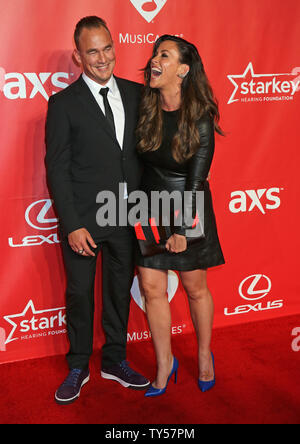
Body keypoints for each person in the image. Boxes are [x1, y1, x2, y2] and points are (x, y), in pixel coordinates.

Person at [45, 16, 150, 405]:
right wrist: (71, 224)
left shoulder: (139, 94)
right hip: (84, 220)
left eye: (107, 47)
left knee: (119, 292)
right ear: (78, 56)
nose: (102, 57)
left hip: (127, 218)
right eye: (92, 51)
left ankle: (115, 359)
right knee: (79, 293)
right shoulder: (63, 104)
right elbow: (56, 168)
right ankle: (78, 365)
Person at [135, 35, 225, 397]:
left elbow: (198, 181)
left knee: (194, 288)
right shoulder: (145, 105)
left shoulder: (199, 117)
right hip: (147, 206)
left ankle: (204, 355)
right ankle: (164, 363)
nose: (154, 60)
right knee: (151, 289)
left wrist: (186, 229)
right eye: (155, 53)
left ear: (183, 70)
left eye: (164, 55)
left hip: (187, 205)